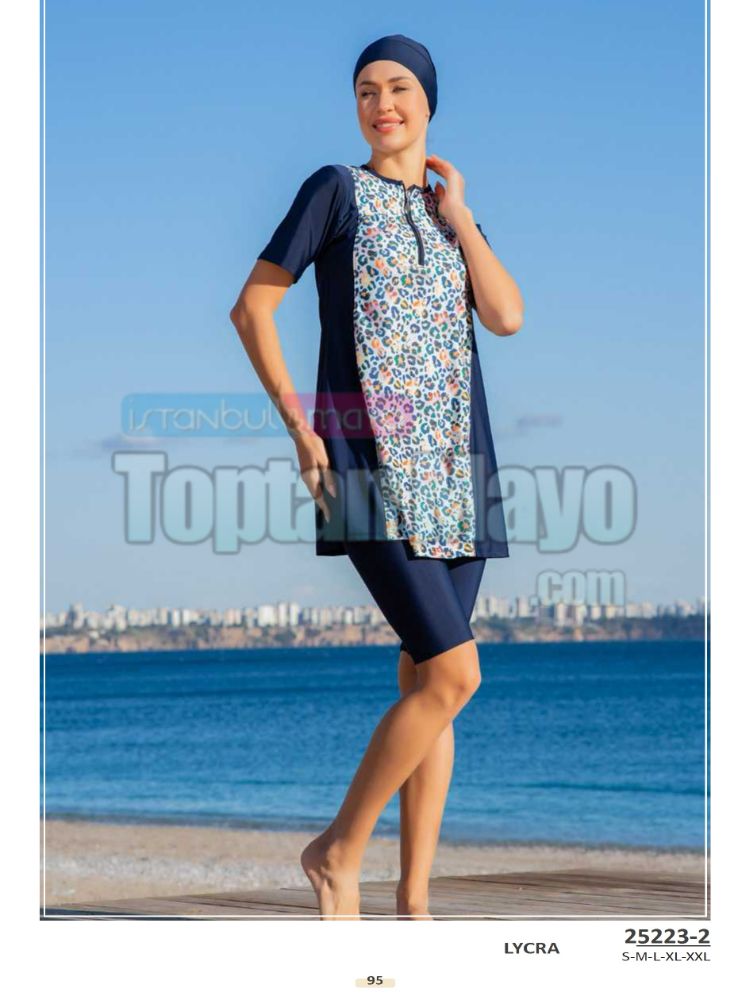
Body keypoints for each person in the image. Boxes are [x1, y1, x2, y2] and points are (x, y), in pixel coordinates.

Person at [230, 33, 523, 919]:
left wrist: (460, 214)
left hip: (458, 470)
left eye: (397, 88)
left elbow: (505, 317)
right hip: (363, 463)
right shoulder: (334, 190)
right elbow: (252, 307)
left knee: (429, 687)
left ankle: (414, 902)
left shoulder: (447, 214)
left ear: (428, 102)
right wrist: (301, 428)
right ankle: (336, 853)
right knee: (455, 674)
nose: (381, 103)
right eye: (365, 90)